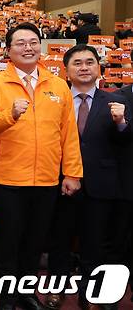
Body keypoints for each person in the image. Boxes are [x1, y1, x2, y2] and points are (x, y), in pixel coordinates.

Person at [0, 23, 83, 310]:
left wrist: (72, 173)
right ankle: (7, 296)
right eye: (20, 43)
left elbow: (68, 134)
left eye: (33, 42)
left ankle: (26, 291)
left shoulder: (58, 85)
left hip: (47, 179)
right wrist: (8, 115)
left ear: (41, 47)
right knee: (8, 242)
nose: (28, 47)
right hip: (8, 178)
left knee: (35, 242)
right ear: (8, 50)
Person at [44, 45, 129, 309]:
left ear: (99, 69)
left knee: (95, 242)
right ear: (66, 71)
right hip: (61, 182)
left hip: (101, 185)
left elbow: (125, 142)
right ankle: (56, 288)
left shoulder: (116, 102)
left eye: (89, 62)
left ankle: (90, 292)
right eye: (77, 63)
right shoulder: (54, 101)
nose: (84, 67)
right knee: (59, 239)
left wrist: (121, 123)